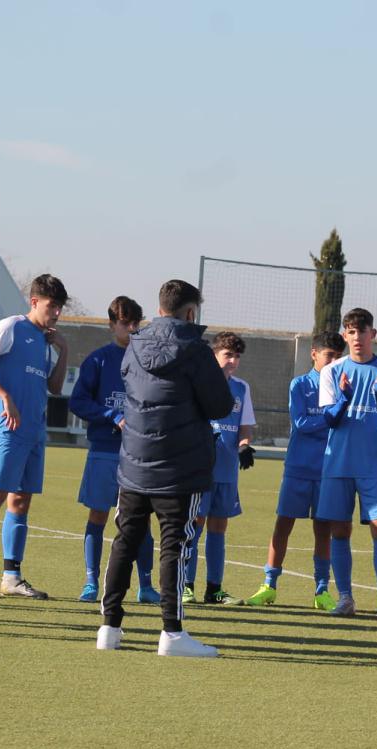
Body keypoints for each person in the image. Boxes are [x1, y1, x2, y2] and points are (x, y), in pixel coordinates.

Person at [96, 279, 234, 657]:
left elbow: (131, 384)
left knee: (125, 539)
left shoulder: (134, 344)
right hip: (180, 465)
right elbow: (220, 405)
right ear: (190, 312)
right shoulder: (195, 349)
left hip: (135, 463)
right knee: (174, 544)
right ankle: (171, 634)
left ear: (159, 309)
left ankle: (109, 627)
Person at [0, 274, 69, 599]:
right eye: (52, 306)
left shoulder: (46, 340)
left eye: (60, 307)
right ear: (34, 302)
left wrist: (63, 349)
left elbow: (56, 388)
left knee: (21, 501)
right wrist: (4, 395)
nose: (57, 313)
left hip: (34, 430)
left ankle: (11, 577)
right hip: (7, 429)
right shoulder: (11, 326)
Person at [245, 331, 345, 610]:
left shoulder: (343, 388)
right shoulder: (300, 385)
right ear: (314, 354)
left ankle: (321, 590)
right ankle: (269, 585)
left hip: (328, 469)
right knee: (283, 525)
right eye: (329, 356)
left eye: (339, 357)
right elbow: (301, 422)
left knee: (322, 529)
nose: (334, 362)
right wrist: (333, 417)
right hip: (299, 467)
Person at [69, 296, 159, 604]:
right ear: (112, 325)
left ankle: (145, 585)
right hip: (104, 451)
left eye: (136, 323)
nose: (131, 329)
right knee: (98, 516)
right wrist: (111, 415)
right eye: (125, 323)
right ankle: (91, 581)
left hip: (139, 454)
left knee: (141, 519)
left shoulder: (147, 360)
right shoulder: (98, 360)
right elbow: (78, 401)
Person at [317, 308, 377, 621]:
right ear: (345, 336)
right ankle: (345, 598)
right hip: (338, 463)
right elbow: (330, 418)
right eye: (351, 332)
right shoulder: (332, 371)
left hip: (372, 465)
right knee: (340, 531)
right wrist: (344, 397)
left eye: (362, 331)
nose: (357, 337)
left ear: (373, 334)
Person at [184, 331, 255, 605]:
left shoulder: (241, 388)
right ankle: (186, 585)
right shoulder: (199, 383)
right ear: (215, 355)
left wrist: (245, 445)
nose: (233, 361)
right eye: (228, 355)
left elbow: (244, 426)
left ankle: (214, 589)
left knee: (218, 527)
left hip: (227, 469)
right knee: (194, 525)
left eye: (237, 356)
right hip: (200, 468)